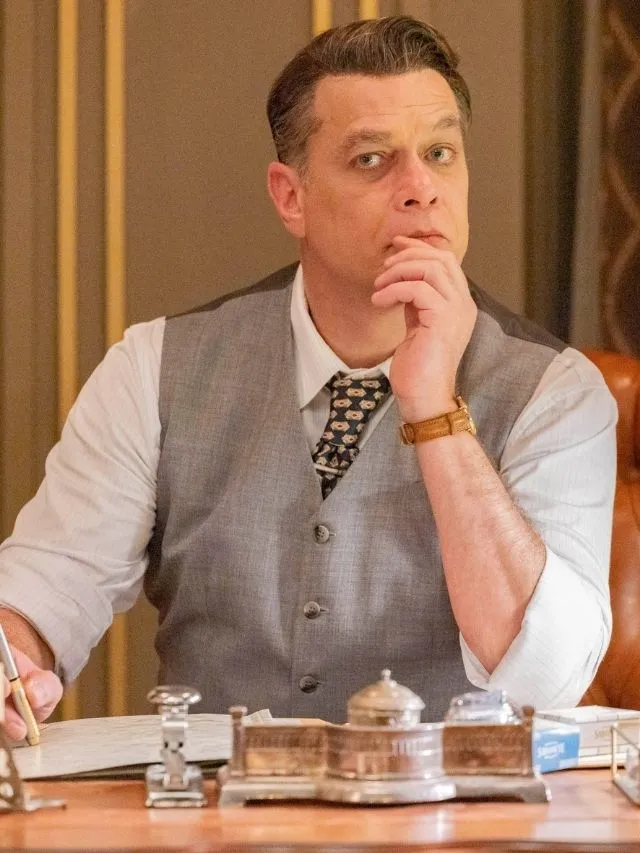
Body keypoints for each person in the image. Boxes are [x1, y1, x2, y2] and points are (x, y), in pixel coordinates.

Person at [0, 16, 616, 737]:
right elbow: (49, 585)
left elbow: (547, 677)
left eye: (440, 153)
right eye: (371, 159)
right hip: (208, 804)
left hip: (452, 807)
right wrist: (11, 653)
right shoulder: (154, 369)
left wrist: (435, 408)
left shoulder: (557, 392)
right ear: (290, 197)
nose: (420, 188)